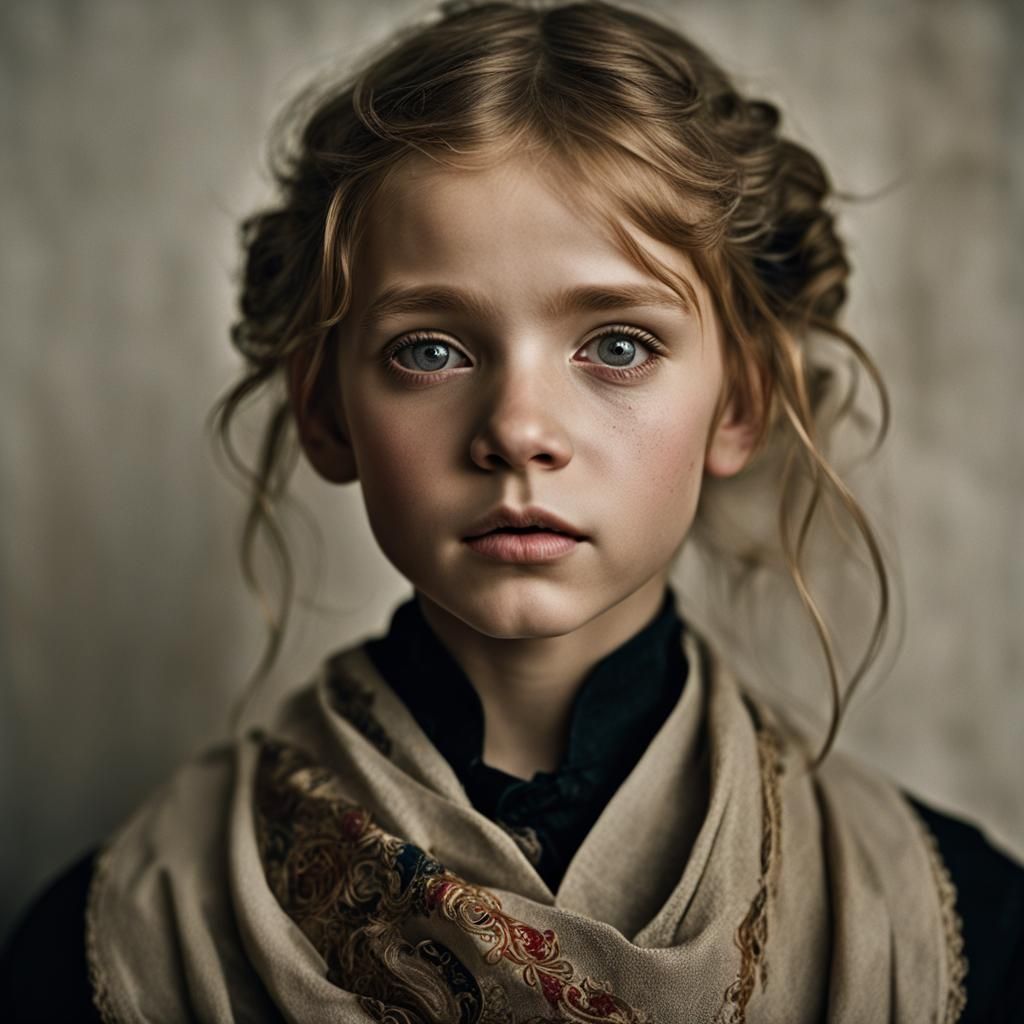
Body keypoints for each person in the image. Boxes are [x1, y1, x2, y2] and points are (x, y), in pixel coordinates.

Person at [2, 1, 1022, 1021]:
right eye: (430, 348)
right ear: (324, 409)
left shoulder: (958, 927)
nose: (518, 429)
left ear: (741, 401)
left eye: (616, 345)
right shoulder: (118, 940)